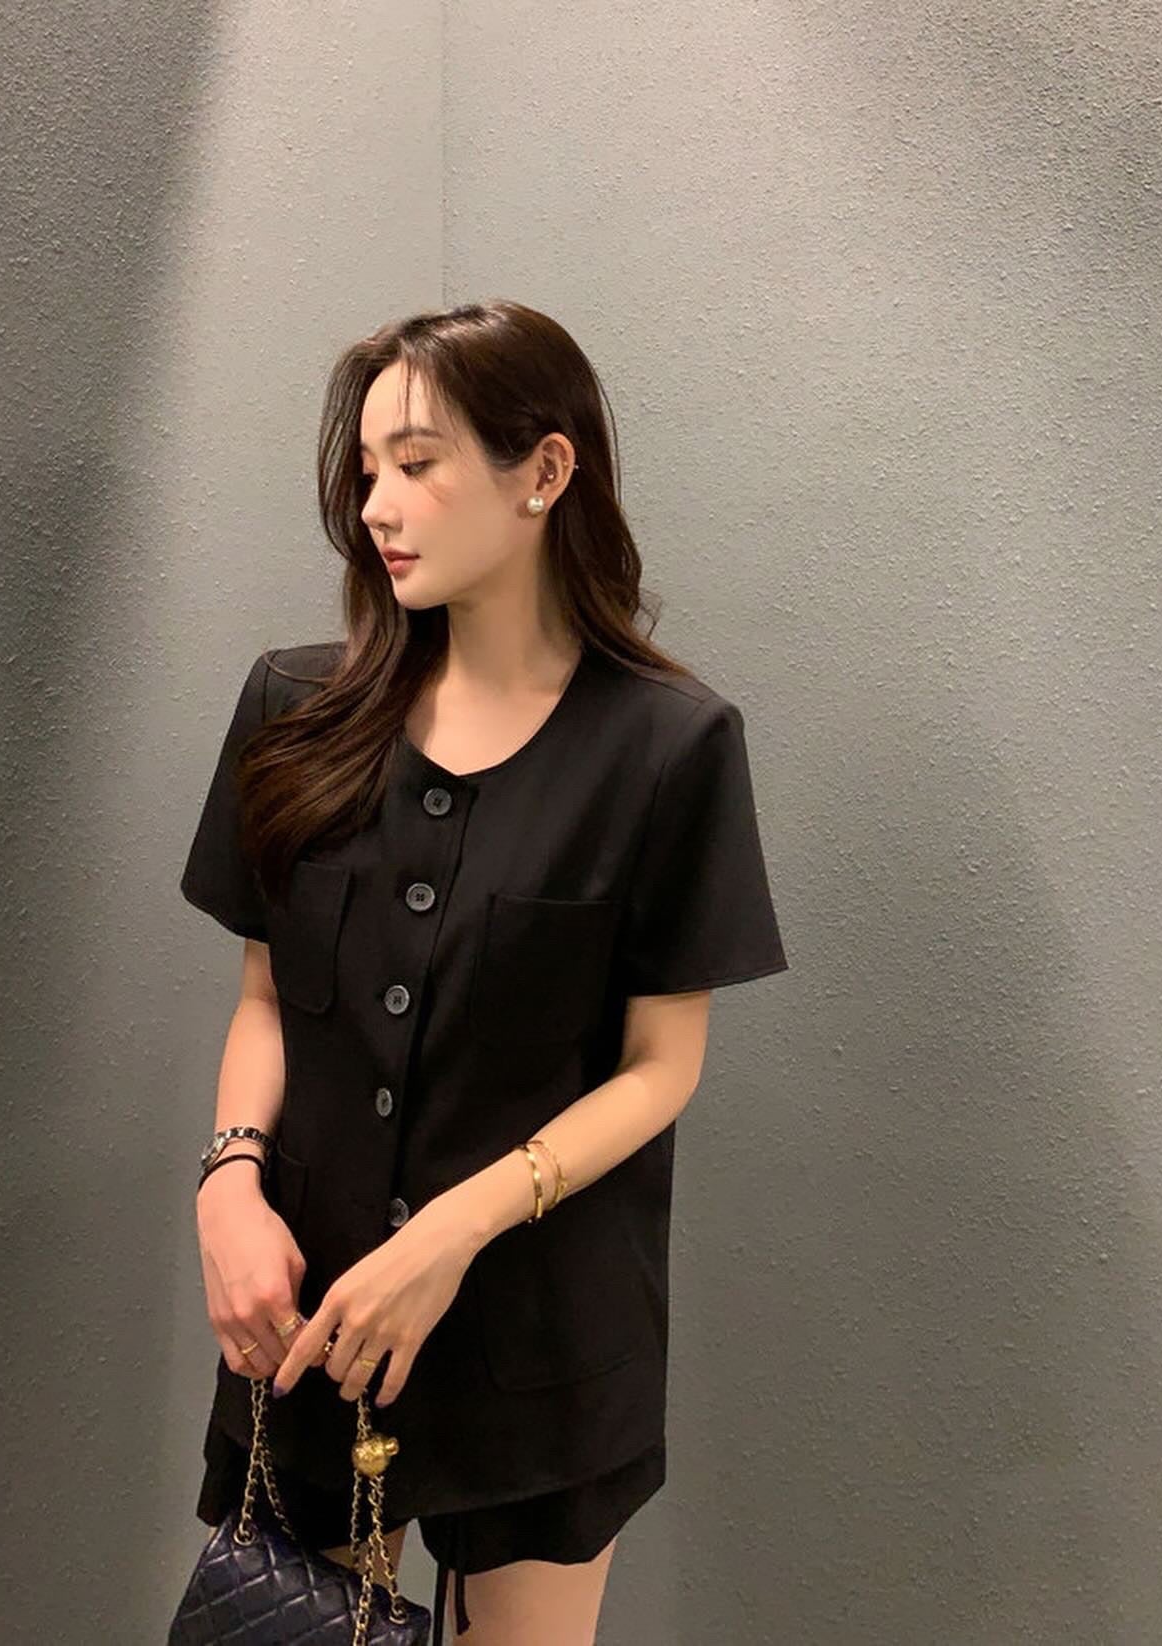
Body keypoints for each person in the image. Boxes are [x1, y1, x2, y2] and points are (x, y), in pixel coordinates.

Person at [179, 298, 790, 1645]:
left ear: (545, 472)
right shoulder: (294, 709)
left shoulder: (667, 747)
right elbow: (267, 998)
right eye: (367, 470)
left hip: (541, 1335)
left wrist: (452, 1231)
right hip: (314, 1313)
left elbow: (661, 1067)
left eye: (416, 463)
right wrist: (227, 1183)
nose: (375, 505)